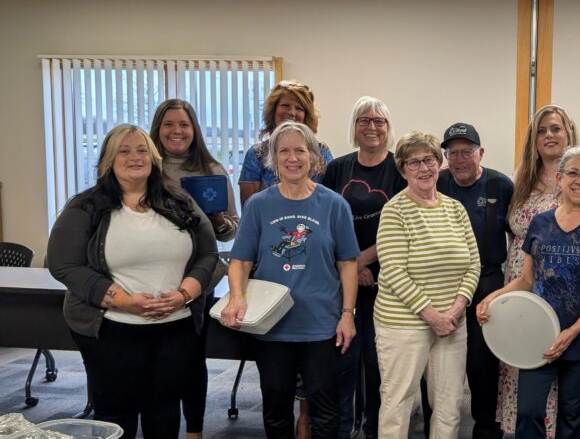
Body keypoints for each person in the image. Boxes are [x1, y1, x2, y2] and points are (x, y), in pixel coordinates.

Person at [47, 124, 220, 439]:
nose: (134, 157)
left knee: (164, 411)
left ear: (153, 158)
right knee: (116, 415)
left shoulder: (180, 202)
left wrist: (184, 294)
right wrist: (123, 301)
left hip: (176, 328)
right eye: (124, 151)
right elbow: (64, 264)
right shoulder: (85, 207)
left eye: (142, 150)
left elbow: (209, 256)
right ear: (108, 161)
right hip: (112, 331)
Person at [220, 121, 360, 439]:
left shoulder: (334, 205)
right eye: (284, 151)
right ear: (273, 158)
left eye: (300, 150)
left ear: (313, 157)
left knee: (325, 411)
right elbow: (240, 260)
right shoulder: (258, 205)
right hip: (272, 326)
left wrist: (347, 315)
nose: (292, 158)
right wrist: (237, 297)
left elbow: (347, 263)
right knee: (275, 409)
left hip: (322, 325)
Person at [479, 146, 580, 439]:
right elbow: (526, 279)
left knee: (572, 417)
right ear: (559, 178)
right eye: (573, 173)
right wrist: (493, 297)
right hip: (539, 334)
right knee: (529, 411)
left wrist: (572, 331)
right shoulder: (541, 222)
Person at [374, 131, 481, 439]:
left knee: (449, 406)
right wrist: (432, 315)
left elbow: (473, 263)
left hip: (453, 323)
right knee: (398, 404)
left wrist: (456, 309)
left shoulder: (455, 209)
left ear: (439, 163)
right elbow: (394, 270)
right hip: (403, 325)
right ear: (403, 169)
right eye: (414, 162)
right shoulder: (395, 211)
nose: (424, 168)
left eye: (430, 159)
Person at [149, 98, 240, 439]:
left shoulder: (212, 170)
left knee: (189, 359)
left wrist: (218, 219)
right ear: (158, 128)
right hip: (148, 277)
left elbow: (231, 229)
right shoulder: (146, 167)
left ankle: (195, 430)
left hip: (195, 280)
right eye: (169, 124)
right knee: (151, 360)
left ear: (194, 129)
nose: (177, 131)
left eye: (184, 125)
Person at [419, 122, 513, 439]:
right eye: (452, 153)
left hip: (487, 283)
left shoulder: (500, 185)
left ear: (480, 153)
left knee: (482, 364)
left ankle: (486, 429)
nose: (459, 159)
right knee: (437, 363)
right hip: (442, 284)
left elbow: (517, 237)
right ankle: (436, 426)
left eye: (466, 152)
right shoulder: (438, 182)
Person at [322, 96, 405, 439]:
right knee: (342, 359)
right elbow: (323, 223)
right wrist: (351, 267)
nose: (372, 127)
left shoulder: (400, 170)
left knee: (376, 362)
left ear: (388, 129)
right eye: (364, 121)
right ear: (354, 127)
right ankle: (342, 429)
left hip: (385, 282)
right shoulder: (337, 169)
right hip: (341, 279)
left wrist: (360, 261)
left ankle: (372, 429)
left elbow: (404, 227)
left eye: (379, 121)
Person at [239, 80, 333, 205]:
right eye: (285, 105)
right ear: (273, 110)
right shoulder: (256, 154)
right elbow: (249, 209)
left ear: (306, 115)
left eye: (299, 108)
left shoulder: (321, 151)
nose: (292, 113)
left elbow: (331, 200)